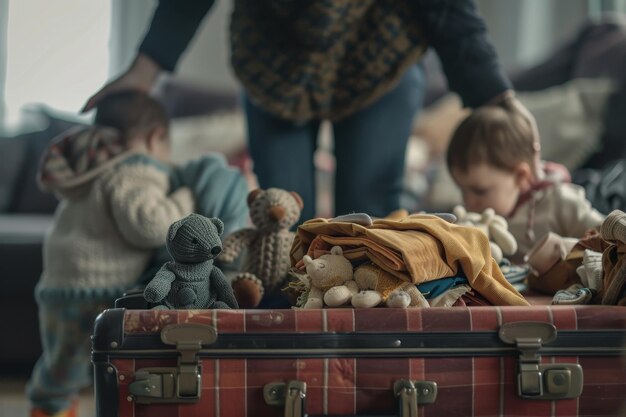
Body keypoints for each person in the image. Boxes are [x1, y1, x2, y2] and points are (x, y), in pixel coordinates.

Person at [81, 0, 537, 223]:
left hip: (382, 49)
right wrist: (143, 72)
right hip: (273, 58)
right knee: (280, 218)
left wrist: (500, 99)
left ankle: (367, 377)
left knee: (371, 216)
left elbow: (449, 10)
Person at [26, 91, 197, 417]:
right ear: (154, 138)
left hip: (57, 285)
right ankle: (49, 408)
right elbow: (149, 225)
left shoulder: (90, 165)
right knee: (81, 368)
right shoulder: (136, 169)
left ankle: (50, 406)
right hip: (97, 289)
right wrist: (184, 198)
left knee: (61, 365)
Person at [446, 103, 606, 263]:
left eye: (479, 191)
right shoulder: (479, 219)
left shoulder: (561, 201)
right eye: (462, 189)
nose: (468, 202)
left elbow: (610, 234)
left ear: (521, 177)